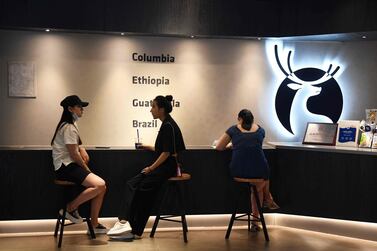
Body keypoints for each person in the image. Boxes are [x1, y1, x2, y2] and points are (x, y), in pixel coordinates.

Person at [107, 95, 186, 240]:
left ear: (161, 109)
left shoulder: (168, 125)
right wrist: (146, 147)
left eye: (153, 106)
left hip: (168, 166)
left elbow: (167, 153)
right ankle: (126, 223)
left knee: (142, 189)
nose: (151, 110)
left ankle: (129, 226)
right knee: (134, 184)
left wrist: (151, 168)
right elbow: (161, 149)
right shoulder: (167, 124)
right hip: (166, 165)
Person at [215, 109, 279, 231]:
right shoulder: (261, 130)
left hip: (238, 171)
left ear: (239, 119)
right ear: (252, 119)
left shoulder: (233, 129)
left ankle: (267, 198)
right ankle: (258, 216)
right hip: (260, 172)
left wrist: (232, 145)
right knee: (259, 185)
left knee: (258, 183)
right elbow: (252, 145)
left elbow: (219, 147)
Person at [51, 95, 107, 234]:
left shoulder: (71, 125)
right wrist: (87, 170)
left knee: (102, 187)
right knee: (100, 184)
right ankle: (70, 208)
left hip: (68, 165)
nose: (82, 109)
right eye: (79, 106)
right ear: (70, 109)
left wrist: (82, 148)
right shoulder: (69, 127)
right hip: (65, 167)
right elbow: (74, 155)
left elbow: (76, 146)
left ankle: (94, 224)